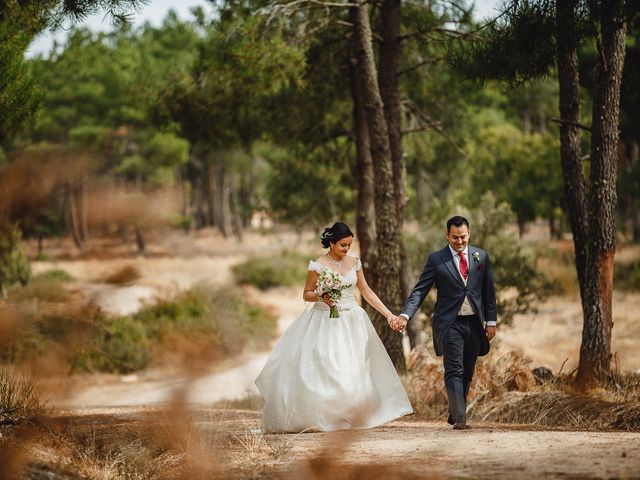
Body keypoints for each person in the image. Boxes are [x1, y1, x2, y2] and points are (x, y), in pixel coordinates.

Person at [255, 221, 412, 433]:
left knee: (353, 368)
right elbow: (307, 294)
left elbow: (367, 292)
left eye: (349, 245)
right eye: (343, 245)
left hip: (352, 320)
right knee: (329, 365)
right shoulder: (318, 265)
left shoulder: (355, 263)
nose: (347, 249)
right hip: (324, 321)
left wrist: (388, 314)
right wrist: (323, 295)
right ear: (331, 243)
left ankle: (349, 415)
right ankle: (325, 416)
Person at [389, 216, 497, 430]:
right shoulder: (437, 259)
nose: (459, 241)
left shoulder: (481, 256)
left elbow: (488, 292)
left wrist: (491, 321)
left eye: (463, 237)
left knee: (467, 371)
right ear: (447, 235)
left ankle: (455, 410)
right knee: (454, 369)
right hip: (450, 324)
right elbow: (420, 290)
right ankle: (460, 418)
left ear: (469, 234)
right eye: (455, 237)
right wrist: (405, 315)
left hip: (475, 323)